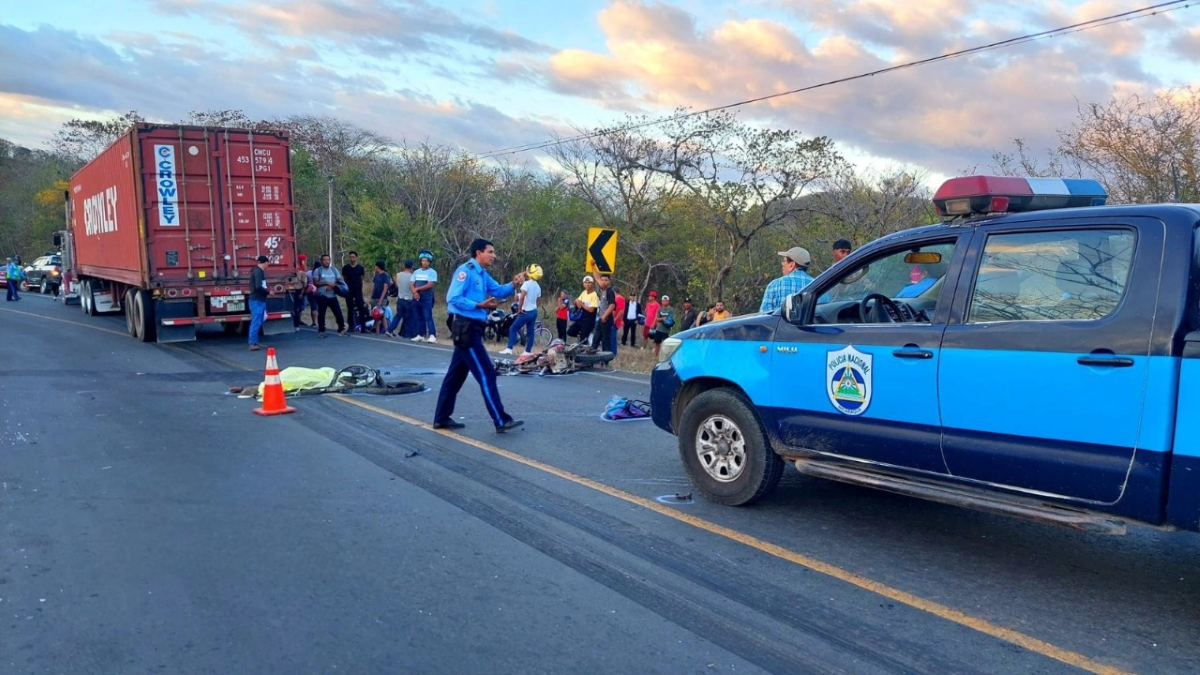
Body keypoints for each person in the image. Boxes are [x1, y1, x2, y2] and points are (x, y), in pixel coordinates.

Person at [433, 238, 527, 433]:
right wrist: (478, 305)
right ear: (478, 253)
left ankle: (441, 418)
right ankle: (500, 419)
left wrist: (513, 283)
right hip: (465, 327)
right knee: (487, 373)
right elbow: (453, 298)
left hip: (472, 326)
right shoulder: (465, 270)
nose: (494, 256)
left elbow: (499, 291)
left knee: (455, 376)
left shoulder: (482, 274)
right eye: (490, 252)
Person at [501, 263, 543, 356]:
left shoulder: (526, 284)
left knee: (513, 328)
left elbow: (522, 297)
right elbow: (539, 301)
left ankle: (509, 348)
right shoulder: (538, 287)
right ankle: (527, 351)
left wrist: (520, 309)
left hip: (525, 312)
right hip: (534, 311)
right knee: (530, 332)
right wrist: (533, 305)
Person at [760, 246, 816, 313]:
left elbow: (764, 315)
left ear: (791, 265)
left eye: (784, 261)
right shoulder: (817, 285)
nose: (782, 264)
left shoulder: (774, 285)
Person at [312, 254, 347, 337]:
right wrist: (326, 283)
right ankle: (321, 331)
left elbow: (340, 280)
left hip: (332, 295)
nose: (326, 261)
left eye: (328, 259)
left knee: (338, 313)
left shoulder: (334, 270)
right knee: (322, 314)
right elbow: (315, 283)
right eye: (324, 260)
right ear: (321, 261)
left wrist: (334, 286)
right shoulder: (318, 270)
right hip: (322, 295)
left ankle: (341, 330)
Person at [412, 251, 438, 343]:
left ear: (430, 262)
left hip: (427, 298)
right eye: (423, 261)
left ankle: (432, 335)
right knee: (419, 316)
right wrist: (415, 292)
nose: (425, 262)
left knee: (428, 316)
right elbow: (412, 283)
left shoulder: (432, 272)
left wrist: (417, 289)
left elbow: (430, 284)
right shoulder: (416, 272)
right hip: (417, 297)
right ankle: (420, 335)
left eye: (427, 261)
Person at [247, 255, 270, 351]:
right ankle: (252, 343)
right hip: (256, 300)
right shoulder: (258, 271)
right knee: (256, 322)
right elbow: (258, 286)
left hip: (259, 300)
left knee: (259, 321)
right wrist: (268, 292)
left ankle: (255, 342)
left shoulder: (258, 271)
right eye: (268, 263)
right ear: (265, 262)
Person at [567, 275, 599, 344]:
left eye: (589, 282)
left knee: (583, 340)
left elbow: (591, 310)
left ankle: (585, 341)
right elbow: (577, 301)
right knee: (570, 331)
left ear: (593, 284)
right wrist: (577, 302)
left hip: (589, 321)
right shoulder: (584, 292)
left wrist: (582, 304)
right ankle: (583, 337)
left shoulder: (594, 295)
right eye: (586, 282)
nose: (587, 284)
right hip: (581, 319)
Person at [389, 259, 416, 338]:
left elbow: (397, 285)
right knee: (408, 318)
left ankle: (390, 329)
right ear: (411, 267)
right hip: (409, 299)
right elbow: (413, 288)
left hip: (400, 298)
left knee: (398, 316)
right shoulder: (412, 277)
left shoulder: (398, 274)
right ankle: (406, 335)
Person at [341, 251, 367, 332]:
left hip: (358, 291)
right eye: (350, 257)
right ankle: (351, 325)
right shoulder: (346, 268)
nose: (351, 258)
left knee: (361, 308)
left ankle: (363, 327)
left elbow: (362, 278)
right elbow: (344, 278)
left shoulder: (360, 268)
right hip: (349, 291)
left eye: (353, 257)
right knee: (350, 308)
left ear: (356, 258)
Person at [369, 260, 392, 334]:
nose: (374, 267)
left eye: (375, 266)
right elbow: (374, 286)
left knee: (381, 315)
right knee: (375, 315)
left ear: (378, 267)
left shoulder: (385, 275)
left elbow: (385, 288)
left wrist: (381, 299)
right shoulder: (376, 275)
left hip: (381, 298)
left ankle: (387, 330)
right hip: (374, 297)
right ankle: (377, 331)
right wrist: (371, 297)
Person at [595, 274, 617, 353]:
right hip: (601, 319)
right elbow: (597, 278)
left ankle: (606, 360)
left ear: (609, 282)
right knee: (596, 339)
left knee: (605, 340)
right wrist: (593, 267)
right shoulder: (603, 290)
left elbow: (612, 305)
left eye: (606, 280)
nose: (604, 282)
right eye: (602, 280)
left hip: (606, 319)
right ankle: (590, 360)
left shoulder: (609, 291)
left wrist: (604, 316)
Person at [290, 259, 311, 331]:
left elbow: (305, 284)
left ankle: (296, 325)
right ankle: (294, 324)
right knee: (293, 309)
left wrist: (301, 293)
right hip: (291, 291)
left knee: (297, 309)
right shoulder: (290, 273)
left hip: (298, 291)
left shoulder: (301, 273)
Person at [611, 289, 625, 357]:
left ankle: (612, 353)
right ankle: (612, 353)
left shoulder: (619, 298)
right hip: (614, 320)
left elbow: (621, 311)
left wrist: (615, 319)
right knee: (612, 337)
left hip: (615, 321)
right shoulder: (616, 298)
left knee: (612, 337)